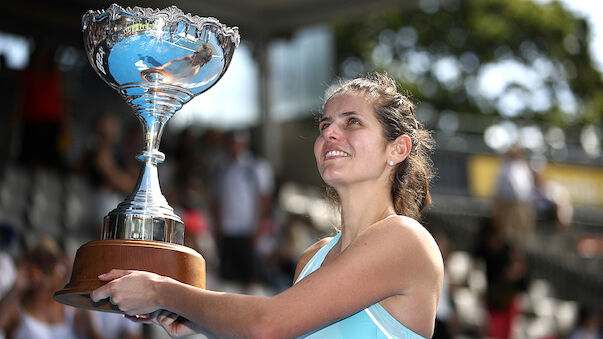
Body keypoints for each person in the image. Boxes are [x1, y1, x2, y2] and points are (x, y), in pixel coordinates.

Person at [90, 73, 443, 339]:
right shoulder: (312, 258)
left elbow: (267, 323)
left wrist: (160, 291)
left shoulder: (405, 240)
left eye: (352, 121)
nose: (329, 134)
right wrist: (201, 322)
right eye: (325, 124)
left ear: (397, 149)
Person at [209, 129, 275, 288]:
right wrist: (217, 229)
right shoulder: (221, 168)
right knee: (228, 279)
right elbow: (217, 200)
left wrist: (258, 228)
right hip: (228, 230)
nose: (234, 147)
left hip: (248, 230)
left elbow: (265, 198)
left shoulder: (257, 167)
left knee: (251, 278)